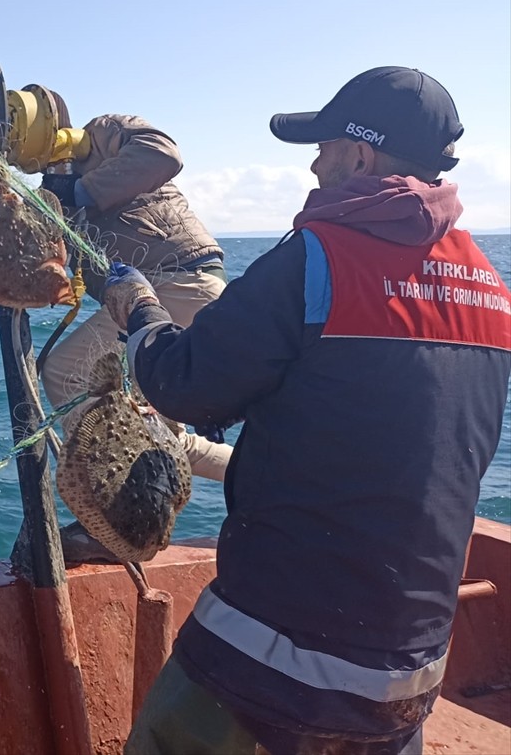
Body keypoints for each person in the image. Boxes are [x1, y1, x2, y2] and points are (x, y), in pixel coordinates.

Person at [102, 67, 511, 754]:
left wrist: (140, 310)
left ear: (361, 155)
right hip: (407, 683)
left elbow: (181, 383)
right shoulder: (491, 290)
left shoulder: (316, 256)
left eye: (323, 147)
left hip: (273, 662)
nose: (315, 166)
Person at [0, 96, 233, 555]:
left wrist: (79, 193)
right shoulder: (50, 195)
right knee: (163, 433)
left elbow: (163, 153)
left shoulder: (104, 136)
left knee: (66, 372)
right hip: (162, 294)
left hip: (176, 281)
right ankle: (273, 474)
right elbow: (13, 244)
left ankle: (113, 522)